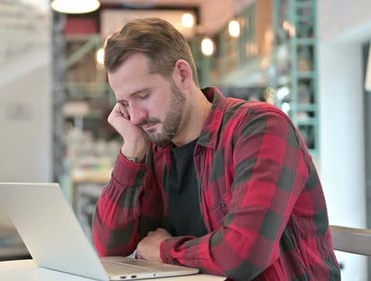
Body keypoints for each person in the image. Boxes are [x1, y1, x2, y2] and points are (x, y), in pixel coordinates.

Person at [92, 17, 341, 280]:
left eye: (143, 96)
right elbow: (109, 249)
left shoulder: (260, 128)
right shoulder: (155, 147)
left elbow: (244, 255)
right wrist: (131, 151)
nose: (135, 116)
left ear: (182, 74)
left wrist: (165, 251)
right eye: (125, 104)